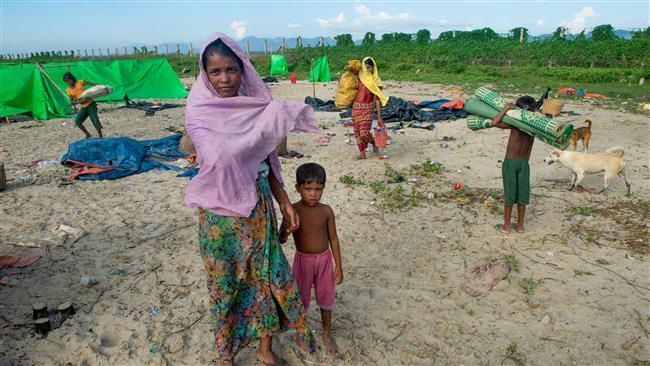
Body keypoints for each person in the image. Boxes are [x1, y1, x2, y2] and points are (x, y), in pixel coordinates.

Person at [184, 33, 320, 365]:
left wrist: (285, 200)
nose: (225, 79)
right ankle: (226, 355)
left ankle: (264, 350)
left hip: (258, 208)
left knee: (264, 279)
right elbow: (209, 155)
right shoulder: (199, 111)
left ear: (243, 69)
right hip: (219, 218)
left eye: (231, 69)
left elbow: (267, 158)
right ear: (205, 74)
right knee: (225, 284)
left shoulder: (260, 107)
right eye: (215, 72)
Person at [279, 163, 343, 354]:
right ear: (298, 188)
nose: (313, 194)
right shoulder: (292, 211)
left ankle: (326, 333)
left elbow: (333, 238)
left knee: (326, 297)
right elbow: (281, 238)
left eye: (318, 189)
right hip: (302, 261)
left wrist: (338, 265)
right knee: (300, 298)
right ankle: (300, 332)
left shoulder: (326, 211)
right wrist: (285, 230)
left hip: (324, 261)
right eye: (308, 189)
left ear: (323, 188)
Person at [490, 96, 536, 234]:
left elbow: (494, 122)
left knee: (510, 193)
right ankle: (520, 226)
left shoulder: (515, 125)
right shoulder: (534, 128)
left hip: (510, 163)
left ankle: (506, 226)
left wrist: (506, 108)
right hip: (524, 163)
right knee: (522, 195)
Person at [351, 57, 388, 159]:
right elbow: (349, 70)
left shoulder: (376, 81)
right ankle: (362, 154)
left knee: (364, 133)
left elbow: (377, 100)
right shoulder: (360, 75)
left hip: (368, 108)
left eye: (369, 67)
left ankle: (373, 142)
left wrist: (379, 117)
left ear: (373, 67)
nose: (367, 70)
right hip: (356, 107)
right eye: (365, 67)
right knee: (357, 131)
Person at [63, 72, 103, 138]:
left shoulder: (80, 82)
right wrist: (74, 102)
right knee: (77, 121)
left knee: (95, 120)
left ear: (72, 78)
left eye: (69, 80)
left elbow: (91, 84)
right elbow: (72, 100)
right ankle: (87, 134)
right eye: (66, 81)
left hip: (91, 105)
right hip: (83, 107)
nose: (68, 82)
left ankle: (101, 137)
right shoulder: (68, 90)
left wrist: (100, 86)